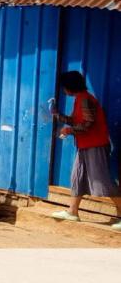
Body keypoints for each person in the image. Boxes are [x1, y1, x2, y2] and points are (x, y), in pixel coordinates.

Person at [51, 71, 121, 231]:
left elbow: (88, 125)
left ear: (70, 86)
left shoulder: (85, 99)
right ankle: (72, 212)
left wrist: (69, 131)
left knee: (102, 182)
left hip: (95, 146)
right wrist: (57, 115)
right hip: (85, 146)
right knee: (77, 177)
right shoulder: (80, 99)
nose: (63, 90)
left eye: (64, 87)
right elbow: (75, 121)